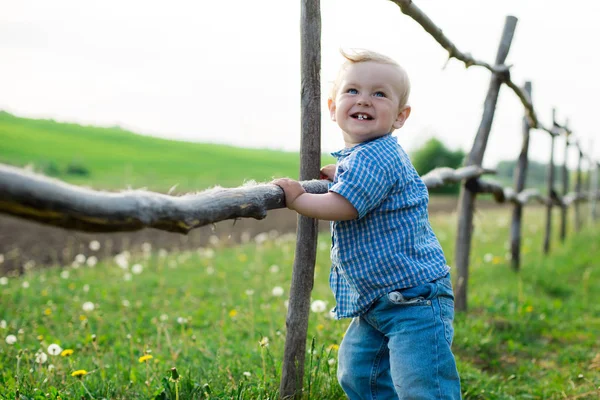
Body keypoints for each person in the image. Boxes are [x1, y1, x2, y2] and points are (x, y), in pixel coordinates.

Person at [272, 49, 461, 400]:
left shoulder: (379, 155)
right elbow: (357, 185)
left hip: (413, 302)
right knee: (359, 375)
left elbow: (345, 204)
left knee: (423, 386)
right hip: (379, 300)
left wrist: (298, 199)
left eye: (379, 94)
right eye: (352, 91)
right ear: (332, 107)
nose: (364, 100)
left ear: (401, 116)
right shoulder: (364, 158)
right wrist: (338, 176)